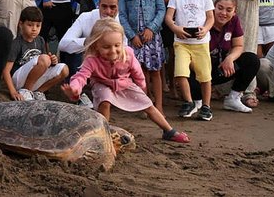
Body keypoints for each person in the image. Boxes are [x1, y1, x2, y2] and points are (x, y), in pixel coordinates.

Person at [61, 18, 190, 143]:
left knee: (148, 105)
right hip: (102, 83)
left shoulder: (127, 53)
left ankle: (169, 131)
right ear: (96, 46)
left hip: (124, 83)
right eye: (106, 47)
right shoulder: (91, 59)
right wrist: (75, 89)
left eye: (117, 45)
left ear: (122, 42)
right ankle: (102, 134)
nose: (113, 51)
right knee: (104, 100)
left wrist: (142, 86)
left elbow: (137, 71)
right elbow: (81, 76)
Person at [188, 0, 259, 113]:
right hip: (198, 70)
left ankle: (233, 98)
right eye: (220, 8)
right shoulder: (202, 20)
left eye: (228, 10)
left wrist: (230, 58)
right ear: (213, 7)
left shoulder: (234, 21)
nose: (223, 13)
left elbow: (238, 45)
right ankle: (195, 101)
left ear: (234, 11)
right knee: (188, 72)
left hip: (220, 68)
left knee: (252, 60)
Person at [164, 0, 215, 120]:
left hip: (201, 43)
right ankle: (189, 102)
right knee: (180, 73)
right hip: (181, 43)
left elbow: (210, 18)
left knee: (205, 76)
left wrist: (205, 29)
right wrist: (175, 28)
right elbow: (168, 17)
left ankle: (206, 106)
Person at [59, 0, 126, 106]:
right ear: (98, 5)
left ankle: (115, 92)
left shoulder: (121, 21)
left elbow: (125, 49)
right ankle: (77, 93)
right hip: (88, 61)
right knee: (73, 52)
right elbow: (63, 44)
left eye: (112, 7)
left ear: (118, 7)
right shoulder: (85, 17)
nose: (108, 11)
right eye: (104, 7)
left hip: (109, 64)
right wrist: (91, 42)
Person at [118, 0, 166, 113]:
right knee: (141, 72)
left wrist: (151, 28)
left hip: (152, 37)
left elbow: (161, 10)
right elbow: (122, 16)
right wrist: (132, 36)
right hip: (136, 39)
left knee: (156, 71)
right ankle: (146, 104)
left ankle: (158, 104)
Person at [2, 6, 68, 101]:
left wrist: (53, 61)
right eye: (30, 25)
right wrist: (13, 91)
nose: (34, 29)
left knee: (64, 69)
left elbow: (46, 63)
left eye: (38, 25)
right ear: (21, 24)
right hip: (19, 79)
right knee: (44, 59)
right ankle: (25, 90)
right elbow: (6, 70)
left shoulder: (40, 40)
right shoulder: (16, 43)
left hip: (35, 78)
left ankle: (39, 92)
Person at [152, 0, 180, 97]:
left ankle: (175, 84)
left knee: (176, 54)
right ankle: (163, 84)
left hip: (181, 19)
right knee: (162, 53)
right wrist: (168, 0)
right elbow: (155, 0)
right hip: (163, 19)